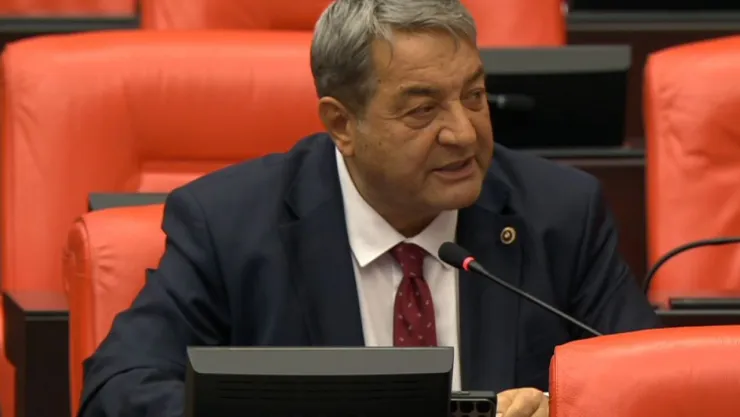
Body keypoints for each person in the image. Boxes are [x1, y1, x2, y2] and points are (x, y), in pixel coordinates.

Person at [78, 0, 659, 416]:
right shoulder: (229, 226)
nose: (463, 132)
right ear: (341, 124)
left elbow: (646, 387)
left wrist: (562, 406)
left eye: (474, 96)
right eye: (422, 110)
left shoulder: (559, 213)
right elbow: (119, 389)